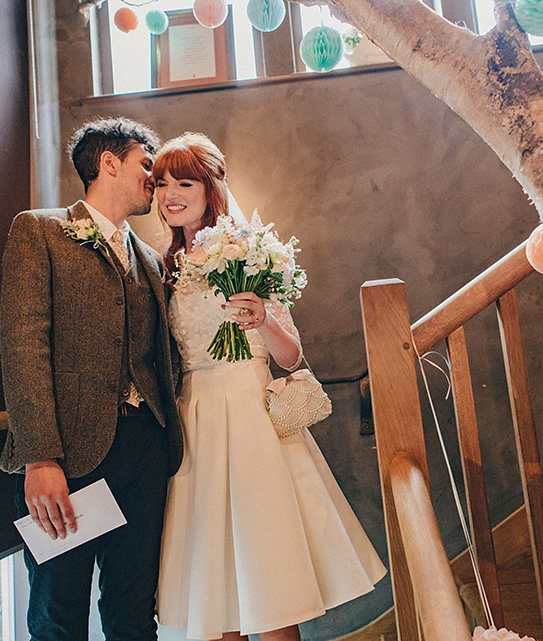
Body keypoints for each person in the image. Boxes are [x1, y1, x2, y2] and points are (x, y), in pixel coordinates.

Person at [152, 132, 387, 641]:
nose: (170, 193)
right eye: (161, 183)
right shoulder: (164, 267)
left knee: (270, 582)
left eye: (184, 182)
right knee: (215, 589)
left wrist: (261, 320)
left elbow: (291, 356)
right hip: (196, 424)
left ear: (210, 188)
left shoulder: (248, 254)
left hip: (252, 420)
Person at [0, 117, 184, 641]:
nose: (155, 178)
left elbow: (162, 358)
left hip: (145, 454)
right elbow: (23, 346)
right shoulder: (40, 231)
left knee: (132, 609)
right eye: (146, 165)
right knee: (59, 613)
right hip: (66, 456)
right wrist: (40, 457)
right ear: (109, 163)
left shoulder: (150, 259)